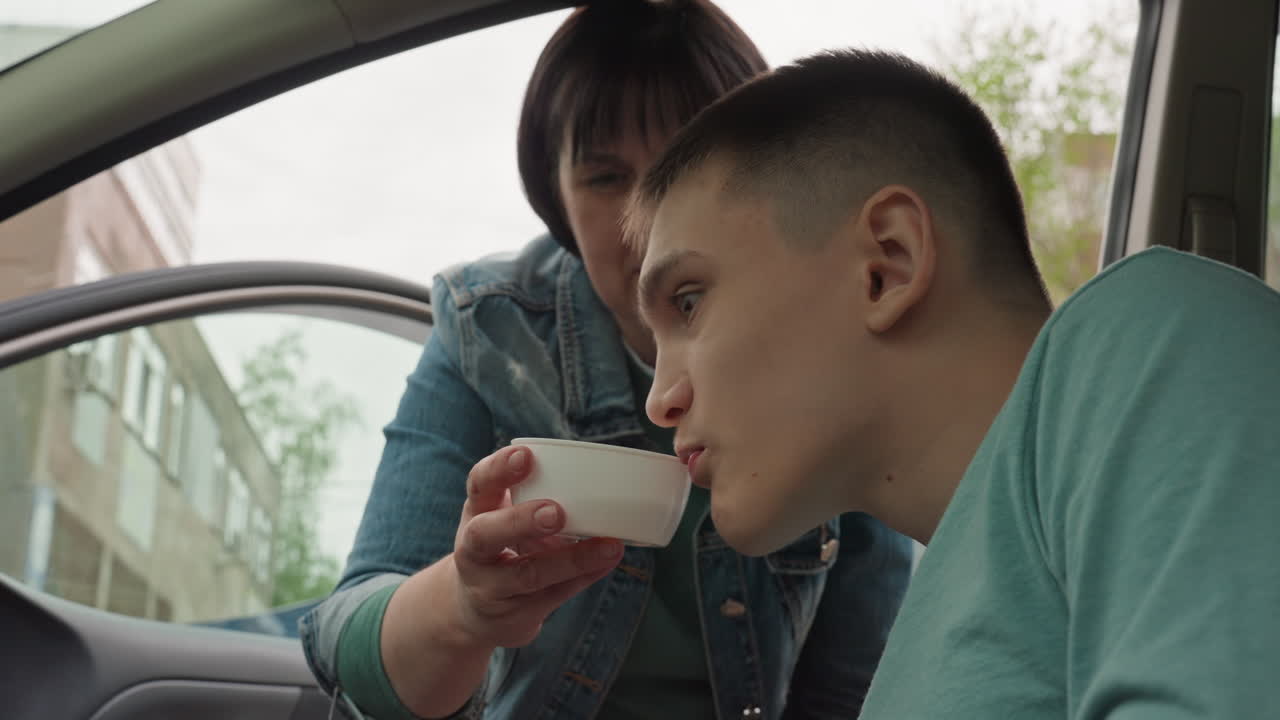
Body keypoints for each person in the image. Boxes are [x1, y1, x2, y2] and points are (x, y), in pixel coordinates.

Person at [300, 6, 915, 719]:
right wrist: (464, 609)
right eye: (604, 178)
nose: (646, 220)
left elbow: (855, 689)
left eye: (686, 167)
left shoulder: (836, 352)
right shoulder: (491, 333)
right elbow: (344, 640)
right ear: (553, 197)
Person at [630, 48, 1280, 717]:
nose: (660, 400)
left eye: (688, 302)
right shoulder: (924, 637)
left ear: (887, 264)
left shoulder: (1156, 332)